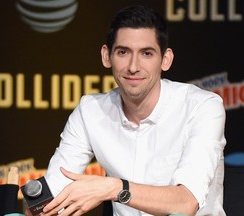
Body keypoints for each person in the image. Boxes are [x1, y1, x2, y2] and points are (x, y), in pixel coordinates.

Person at [28, 5, 226, 216]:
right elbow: (50, 197)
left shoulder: (203, 106)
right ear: (106, 56)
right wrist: (40, 206)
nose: (133, 66)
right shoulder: (90, 111)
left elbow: (186, 203)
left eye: (146, 53)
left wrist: (114, 189)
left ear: (165, 59)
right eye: (123, 52)